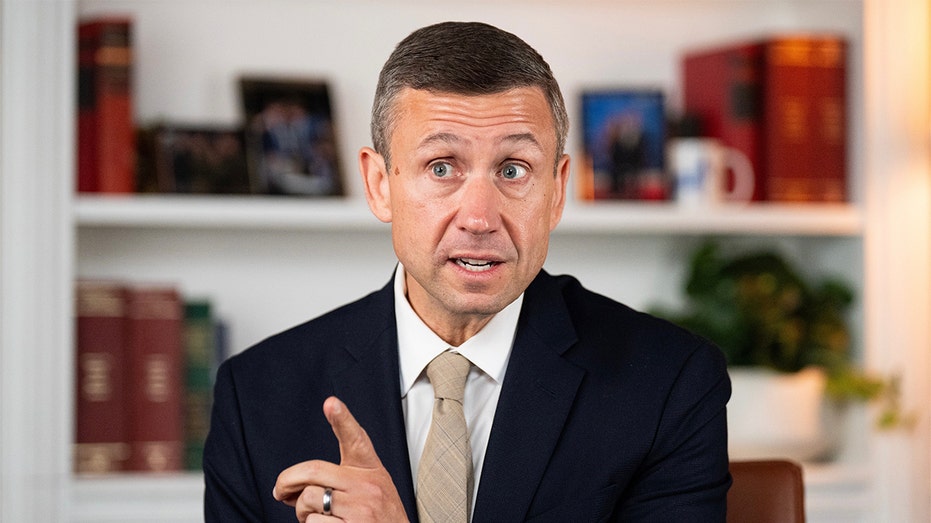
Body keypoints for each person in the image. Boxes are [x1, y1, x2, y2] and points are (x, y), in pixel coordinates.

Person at [203, 21, 731, 522]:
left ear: (556, 190)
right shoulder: (255, 396)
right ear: (380, 185)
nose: (479, 219)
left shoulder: (670, 383)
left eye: (513, 170)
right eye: (442, 167)